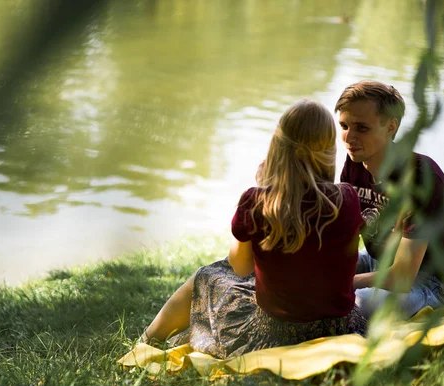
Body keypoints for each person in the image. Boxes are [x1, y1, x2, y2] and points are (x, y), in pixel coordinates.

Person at [141, 99, 367, 359]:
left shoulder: (257, 201)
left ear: (278, 146)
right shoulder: (348, 199)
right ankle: (151, 338)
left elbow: (239, 267)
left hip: (276, 335)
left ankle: (146, 340)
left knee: (207, 275)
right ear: (329, 150)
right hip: (340, 329)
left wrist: (265, 187)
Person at [335, 80, 444, 319]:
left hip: (423, 283)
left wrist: (341, 283)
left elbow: (402, 276)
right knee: (311, 275)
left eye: (361, 128)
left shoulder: (420, 178)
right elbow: (345, 230)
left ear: (391, 127)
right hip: (375, 262)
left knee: (355, 304)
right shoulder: (355, 163)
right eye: (344, 125)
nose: (349, 138)